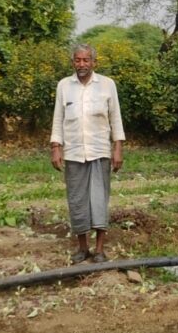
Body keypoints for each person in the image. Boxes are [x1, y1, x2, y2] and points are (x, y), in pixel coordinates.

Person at [50, 43, 125, 264]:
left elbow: (116, 118)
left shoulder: (107, 85)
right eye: (77, 60)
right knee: (77, 201)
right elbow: (58, 118)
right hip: (73, 152)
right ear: (73, 62)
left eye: (86, 60)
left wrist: (118, 147)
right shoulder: (64, 85)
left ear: (94, 62)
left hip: (100, 151)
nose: (81, 64)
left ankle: (99, 249)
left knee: (99, 199)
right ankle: (82, 248)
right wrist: (56, 147)